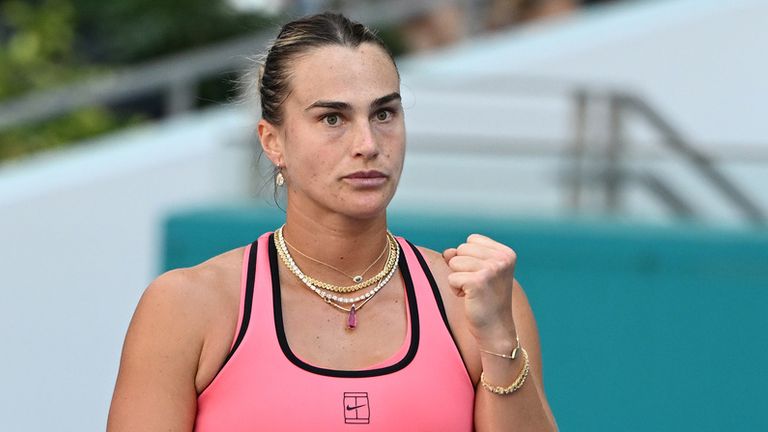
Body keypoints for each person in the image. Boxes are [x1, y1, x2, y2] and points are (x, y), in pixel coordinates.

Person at [107, 12, 557, 431]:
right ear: (272, 141)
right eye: (332, 118)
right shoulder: (185, 307)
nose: (367, 143)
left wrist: (498, 341)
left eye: (384, 113)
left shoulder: (483, 302)